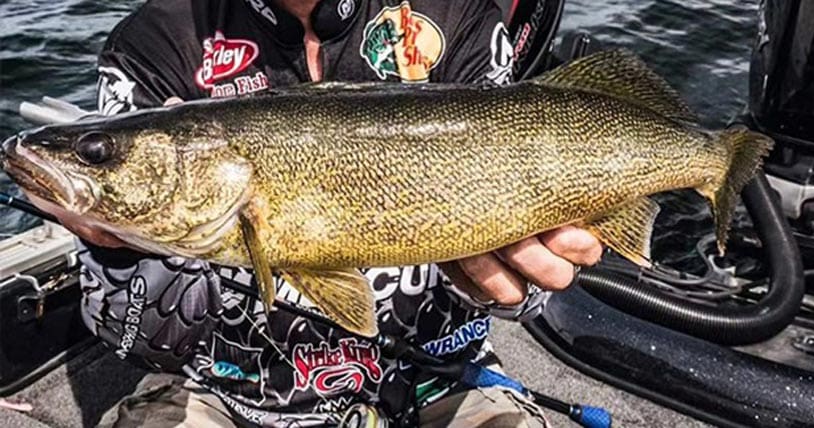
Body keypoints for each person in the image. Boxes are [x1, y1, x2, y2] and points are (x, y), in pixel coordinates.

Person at [40, 0, 603, 426]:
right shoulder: (156, 43)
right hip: (232, 394)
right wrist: (113, 249)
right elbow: (138, 337)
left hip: (439, 379)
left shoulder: (455, 11)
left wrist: (508, 283)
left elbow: (529, 294)